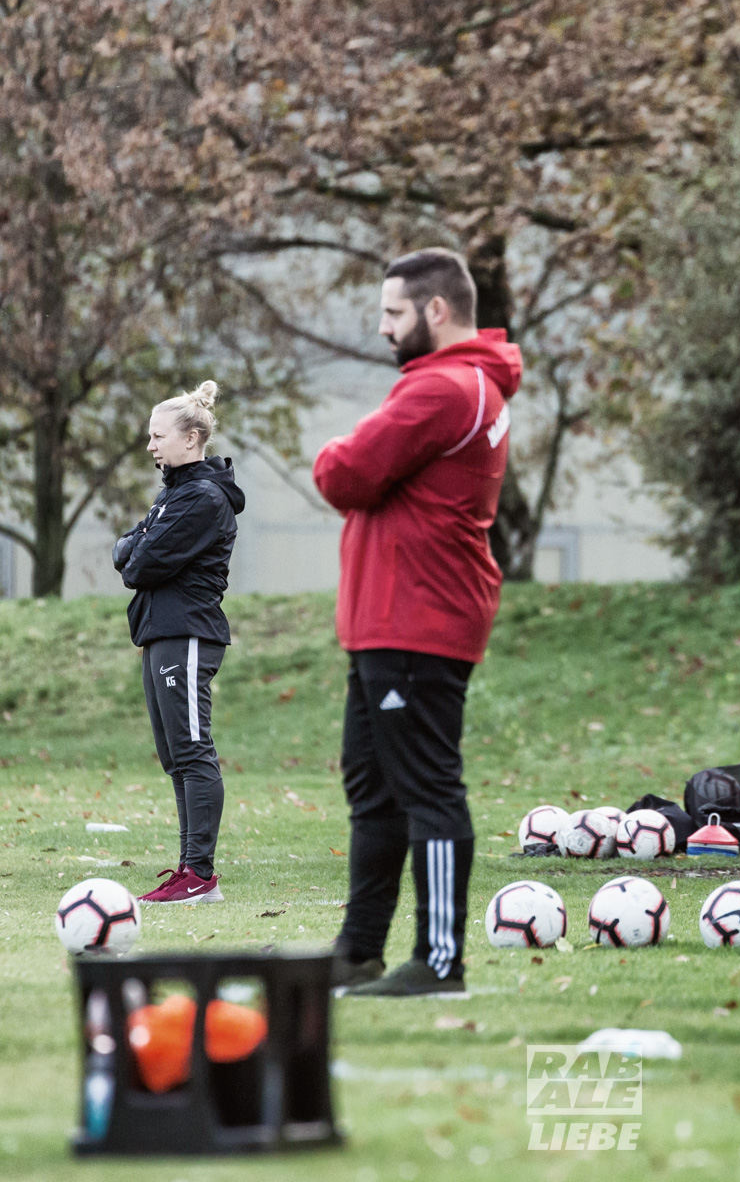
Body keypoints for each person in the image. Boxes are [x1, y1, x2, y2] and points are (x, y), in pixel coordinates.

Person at [315, 248, 522, 998]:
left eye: (393, 314)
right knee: (373, 794)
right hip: (387, 621)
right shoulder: (457, 385)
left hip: (418, 618)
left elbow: (344, 472)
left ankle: (441, 961)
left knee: (428, 790)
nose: (382, 329)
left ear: (437, 311)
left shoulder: (444, 387)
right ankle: (359, 951)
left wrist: (338, 451)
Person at [114, 381, 244, 906]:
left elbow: (137, 562)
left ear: (191, 439)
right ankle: (190, 869)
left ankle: (200, 875)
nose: (150, 445)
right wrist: (136, 546)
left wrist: (136, 546)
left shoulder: (203, 498)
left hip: (186, 632)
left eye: (157, 435)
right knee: (175, 756)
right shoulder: (176, 492)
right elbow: (128, 549)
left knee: (192, 751)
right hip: (160, 633)